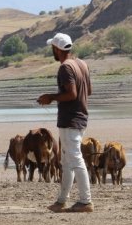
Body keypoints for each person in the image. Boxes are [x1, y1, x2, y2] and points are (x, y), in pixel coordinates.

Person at [37, 32, 93, 213]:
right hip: (80, 118)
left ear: (57, 49)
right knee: (66, 161)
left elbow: (72, 94)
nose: (52, 51)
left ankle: (85, 201)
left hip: (70, 120)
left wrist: (51, 97)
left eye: (52, 48)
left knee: (75, 159)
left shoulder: (65, 68)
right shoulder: (82, 64)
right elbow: (88, 91)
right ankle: (61, 201)